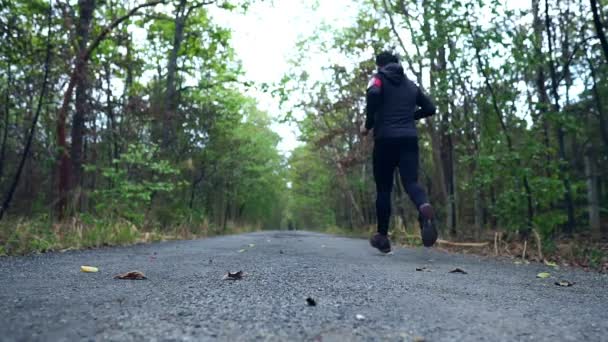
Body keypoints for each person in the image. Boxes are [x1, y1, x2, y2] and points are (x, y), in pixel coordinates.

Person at [360, 51, 437, 253]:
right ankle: (423, 207)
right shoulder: (410, 85)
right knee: (411, 183)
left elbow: (373, 94)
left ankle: (383, 237)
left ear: (379, 65)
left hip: (385, 139)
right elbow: (430, 108)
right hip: (409, 139)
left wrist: (369, 124)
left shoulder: (377, 79)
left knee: (384, 189)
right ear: (396, 63)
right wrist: (411, 116)